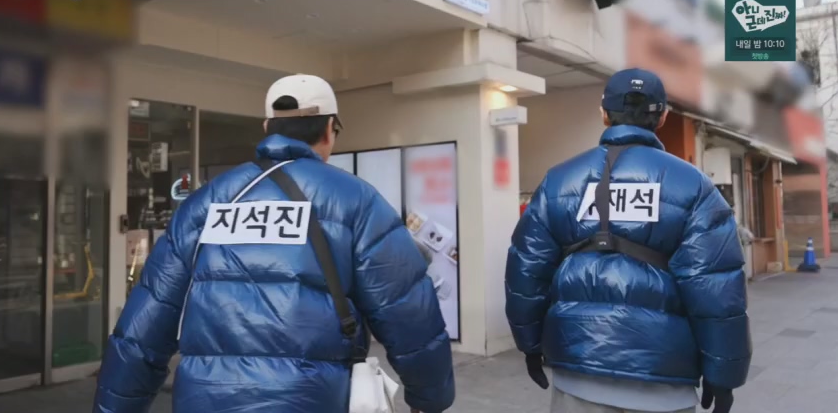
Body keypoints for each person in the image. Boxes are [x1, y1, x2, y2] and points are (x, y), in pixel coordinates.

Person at [93, 74, 455, 413]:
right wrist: (430, 397)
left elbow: (143, 328)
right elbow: (408, 312)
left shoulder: (207, 202)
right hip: (309, 399)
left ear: (267, 128)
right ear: (330, 129)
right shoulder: (357, 201)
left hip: (206, 399)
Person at [505, 68, 752, 413]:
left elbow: (526, 271)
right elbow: (717, 290)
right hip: (665, 381)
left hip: (577, 370)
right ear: (663, 116)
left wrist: (530, 345)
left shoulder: (558, 182)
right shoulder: (694, 186)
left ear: (603, 113)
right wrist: (723, 374)